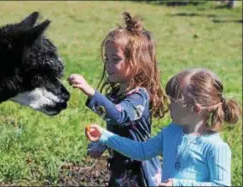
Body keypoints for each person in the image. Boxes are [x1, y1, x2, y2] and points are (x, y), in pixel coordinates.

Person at [85, 68, 242, 186]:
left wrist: (179, 184)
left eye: (173, 102)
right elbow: (142, 151)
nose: (169, 106)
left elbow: (221, 185)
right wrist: (104, 136)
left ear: (194, 109)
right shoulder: (172, 132)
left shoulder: (215, 147)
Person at [68, 12, 168, 187]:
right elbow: (114, 127)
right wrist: (101, 143)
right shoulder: (116, 95)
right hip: (120, 169)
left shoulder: (139, 97)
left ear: (137, 63)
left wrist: (90, 91)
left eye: (116, 59)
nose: (108, 65)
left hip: (139, 171)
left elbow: (118, 116)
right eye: (107, 59)